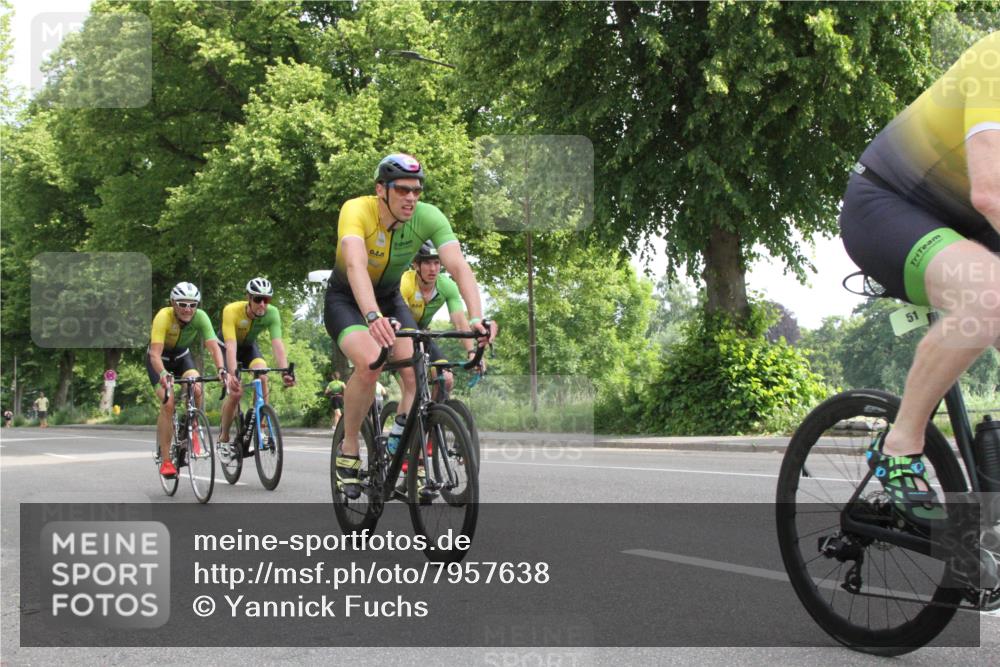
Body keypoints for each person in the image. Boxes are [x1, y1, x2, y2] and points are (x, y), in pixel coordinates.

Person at [839, 31, 1000, 528]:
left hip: (969, 227)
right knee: (990, 297)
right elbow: (991, 192)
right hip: (888, 205)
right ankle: (900, 446)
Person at [324, 153, 496, 499]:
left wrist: (478, 318)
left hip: (389, 298)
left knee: (417, 375)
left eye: (416, 190)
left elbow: (459, 267)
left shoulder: (428, 217)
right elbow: (356, 266)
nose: (411, 198)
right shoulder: (356, 210)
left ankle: (402, 444)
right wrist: (371, 317)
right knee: (371, 363)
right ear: (381, 190)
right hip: (347, 299)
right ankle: (350, 444)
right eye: (402, 190)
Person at [147, 282, 226, 478]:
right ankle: (166, 460)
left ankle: (194, 426)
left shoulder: (200, 317)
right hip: (160, 360)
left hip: (182, 357)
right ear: (173, 303)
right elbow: (155, 354)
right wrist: (164, 374)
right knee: (169, 402)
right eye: (182, 304)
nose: (188, 309)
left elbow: (213, 346)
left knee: (197, 387)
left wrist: (222, 369)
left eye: (193, 304)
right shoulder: (162, 317)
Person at [217, 278, 296, 451]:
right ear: (248, 298)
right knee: (236, 393)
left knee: (263, 375)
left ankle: (259, 428)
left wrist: (285, 372)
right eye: (257, 299)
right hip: (226, 346)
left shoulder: (272, 313)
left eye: (266, 300)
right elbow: (231, 346)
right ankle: (224, 436)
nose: (262, 304)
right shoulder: (231, 311)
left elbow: (277, 344)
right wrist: (232, 374)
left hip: (248, 347)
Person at [400, 241, 482, 399]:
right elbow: (401, 316)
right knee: (412, 388)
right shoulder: (405, 282)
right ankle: (401, 424)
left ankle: (435, 419)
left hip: (422, 336)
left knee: (446, 378)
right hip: (399, 335)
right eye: (427, 263)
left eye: (437, 263)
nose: (433, 269)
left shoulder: (446, 286)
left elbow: (460, 321)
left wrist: (472, 352)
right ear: (416, 265)